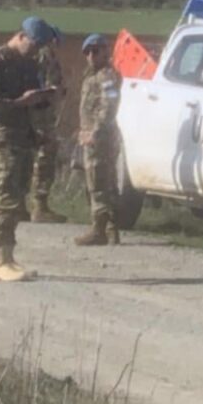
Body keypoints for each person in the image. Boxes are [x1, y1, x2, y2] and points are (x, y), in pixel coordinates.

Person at [0, 16, 61, 281]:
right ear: (21, 36)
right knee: (6, 195)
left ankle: (8, 257)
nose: (35, 52)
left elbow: (28, 100)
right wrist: (18, 103)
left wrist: (43, 98)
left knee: (17, 196)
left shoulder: (28, 63)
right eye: (34, 46)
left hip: (23, 135)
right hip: (1, 136)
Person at [74, 33, 121, 246]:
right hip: (90, 136)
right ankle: (110, 230)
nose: (91, 56)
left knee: (98, 182)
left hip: (100, 138)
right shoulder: (92, 75)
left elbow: (110, 106)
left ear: (105, 51)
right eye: (87, 52)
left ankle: (99, 230)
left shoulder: (107, 76)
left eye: (96, 50)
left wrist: (95, 130)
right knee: (103, 181)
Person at [28, 23, 68, 223]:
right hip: (42, 114)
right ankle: (40, 206)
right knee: (45, 157)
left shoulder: (31, 54)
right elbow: (51, 86)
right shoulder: (47, 55)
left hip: (31, 112)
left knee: (26, 157)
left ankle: (18, 204)